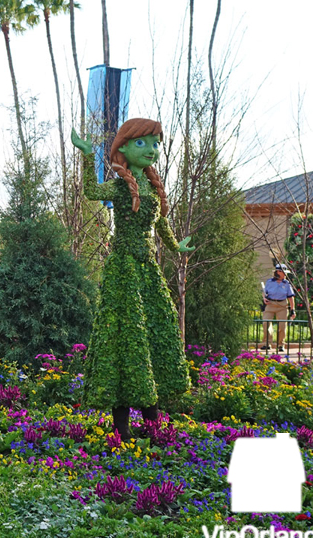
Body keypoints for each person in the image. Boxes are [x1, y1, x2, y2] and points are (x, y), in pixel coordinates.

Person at [72, 119, 194, 439]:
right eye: (143, 143)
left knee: (151, 339)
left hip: (147, 272)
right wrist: (87, 156)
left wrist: (174, 245)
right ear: (124, 147)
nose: (152, 150)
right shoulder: (119, 185)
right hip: (123, 270)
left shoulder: (152, 187)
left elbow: (160, 225)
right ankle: (121, 427)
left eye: (155, 144)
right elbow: (91, 191)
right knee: (125, 342)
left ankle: (153, 424)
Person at [261, 264, 296, 353]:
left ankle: (281, 345)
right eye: (283, 272)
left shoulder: (287, 283)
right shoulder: (269, 282)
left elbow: (291, 297)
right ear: (277, 272)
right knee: (266, 323)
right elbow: (264, 292)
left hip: (282, 305)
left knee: (282, 326)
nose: (284, 274)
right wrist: (264, 298)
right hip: (270, 304)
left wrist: (292, 310)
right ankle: (266, 343)